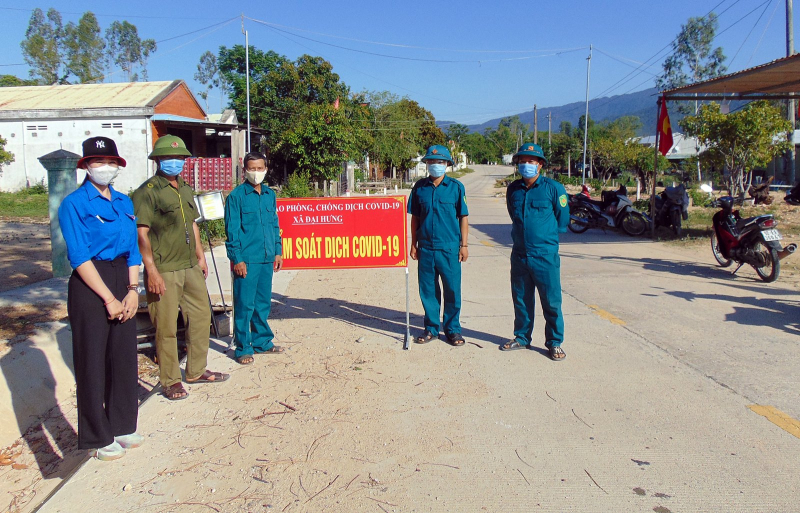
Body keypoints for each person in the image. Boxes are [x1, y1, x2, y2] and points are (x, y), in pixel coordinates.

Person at [58, 136, 144, 460]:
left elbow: (133, 250)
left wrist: (133, 291)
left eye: (110, 162)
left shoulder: (124, 202)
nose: (105, 167)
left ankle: (122, 424)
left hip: (123, 277)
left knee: (122, 358)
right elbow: (79, 256)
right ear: (86, 166)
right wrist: (109, 298)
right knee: (92, 362)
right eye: (98, 162)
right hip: (90, 284)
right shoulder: (74, 204)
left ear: (118, 166)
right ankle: (97, 435)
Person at [132, 135, 228, 401]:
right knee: (166, 326)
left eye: (179, 158)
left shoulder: (185, 188)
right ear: (158, 159)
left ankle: (196, 370)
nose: (174, 162)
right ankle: (171, 380)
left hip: (189, 265)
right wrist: (150, 270)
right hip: (164, 268)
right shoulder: (147, 192)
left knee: (199, 316)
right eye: (168, 157)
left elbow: (193, 224)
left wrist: (201, 255)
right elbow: (142, 233)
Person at [501, 143, 569, 360]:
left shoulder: (554, 188)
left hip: (545, 255)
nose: (526, 165)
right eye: (522, 161)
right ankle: (522, 337)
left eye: (531, 161)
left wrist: (543, 239)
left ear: (540, 165)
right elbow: (514, 215)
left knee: (551, 300)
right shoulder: (513, 189)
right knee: (521, 298)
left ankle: (554, 342)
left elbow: (562, 218)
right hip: (520, 254)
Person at [224, 152, 284, 365]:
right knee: (244, 305)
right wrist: (237, 259)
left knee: (262, 303)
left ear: (266, 169)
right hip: (247, 260)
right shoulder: (236, 197)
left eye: (260, 168)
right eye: (252, 168)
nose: (256, 173)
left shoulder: (270, 195)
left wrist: (278, 251)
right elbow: (232, 232)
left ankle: (262, 342)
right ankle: (243, 348)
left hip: (267, 258)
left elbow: (275, 225)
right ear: (244, 170)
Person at [408, 145, 469, 346]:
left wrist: (464, 245)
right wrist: (413, 243)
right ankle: (432, 329)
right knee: (428, 290)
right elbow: (415, 218)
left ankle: (453, 330)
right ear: (427, 164)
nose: (436, 165)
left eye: (441, 162)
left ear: (447, 165)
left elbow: (463, 217)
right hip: (425, 247)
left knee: (452, 290)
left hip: (449, 248)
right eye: (432, 162)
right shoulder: (419, 188)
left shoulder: (456, 188)